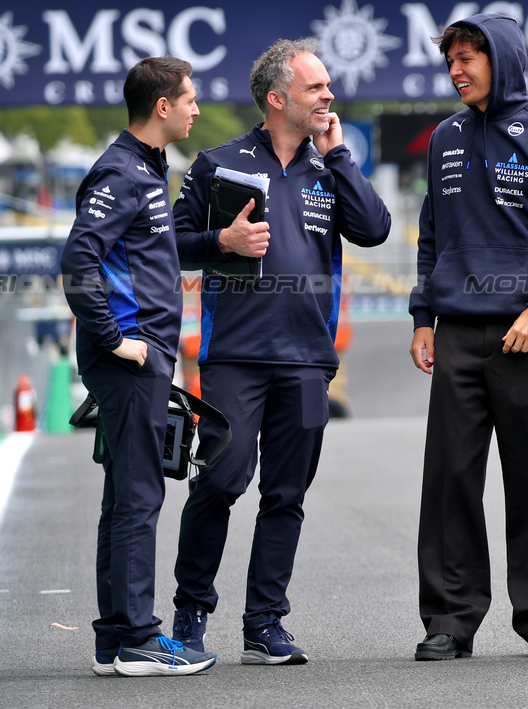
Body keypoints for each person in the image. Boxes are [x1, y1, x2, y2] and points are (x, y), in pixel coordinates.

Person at [168, 38, 390, 665]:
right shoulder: (217, 163)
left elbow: (374, 229)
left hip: (307, 358)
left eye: (328, 87)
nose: (329, 96)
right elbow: (175, 244)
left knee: (286, 493)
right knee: (222, 480)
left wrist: (339, 154)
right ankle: (190, 616)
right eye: (317, 88)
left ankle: (264, 624)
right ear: (277, 97)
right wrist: (225, 241)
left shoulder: (331, 167)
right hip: (235, 355)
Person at [408, 14, 528, 661]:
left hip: (527, 330)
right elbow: (430, 235)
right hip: (457, 331)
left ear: (504, 59)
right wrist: (421, 317)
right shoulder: (443, 137)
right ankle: (449, 619)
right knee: (449, 481)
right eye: (451, 60)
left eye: (470, 57)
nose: (458, 69)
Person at [61, 56, 215, 677]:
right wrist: (117, 339)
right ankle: (137, 641)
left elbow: (156, 254)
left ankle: (113, 640)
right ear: (162, 107)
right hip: (130, 359)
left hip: (145, 357)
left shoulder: (148, 170)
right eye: (190, 99)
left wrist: (218, 244)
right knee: (140, 498)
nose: (196, 108)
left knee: (127, 496)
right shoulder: (122, 173)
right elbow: (79, 259)